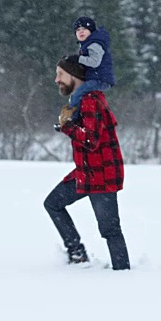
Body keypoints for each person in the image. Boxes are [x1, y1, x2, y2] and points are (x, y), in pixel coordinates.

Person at [44, 54, 130, 271]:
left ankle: (124, 274)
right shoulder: (81, 100)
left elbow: (90, 139)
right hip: (86, 172)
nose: (57, 79)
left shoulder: (91, 100)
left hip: (102, 175)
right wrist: (68, 124)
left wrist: (66, 127)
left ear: (74, 75)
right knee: (53, 203)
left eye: (60, 74)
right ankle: (77, 255)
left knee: (110, 230)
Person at [66, 16, 115, 121]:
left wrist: (78, 59)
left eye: (84, 29)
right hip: (96, 78)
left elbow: (94, 62)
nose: (81, 32)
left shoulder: (94, 44)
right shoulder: (88, 44)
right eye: (78, 30)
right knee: (78, 94)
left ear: (91, 31)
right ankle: (81, 117)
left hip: (100, 79)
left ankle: (73, 120)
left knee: (77, 94)